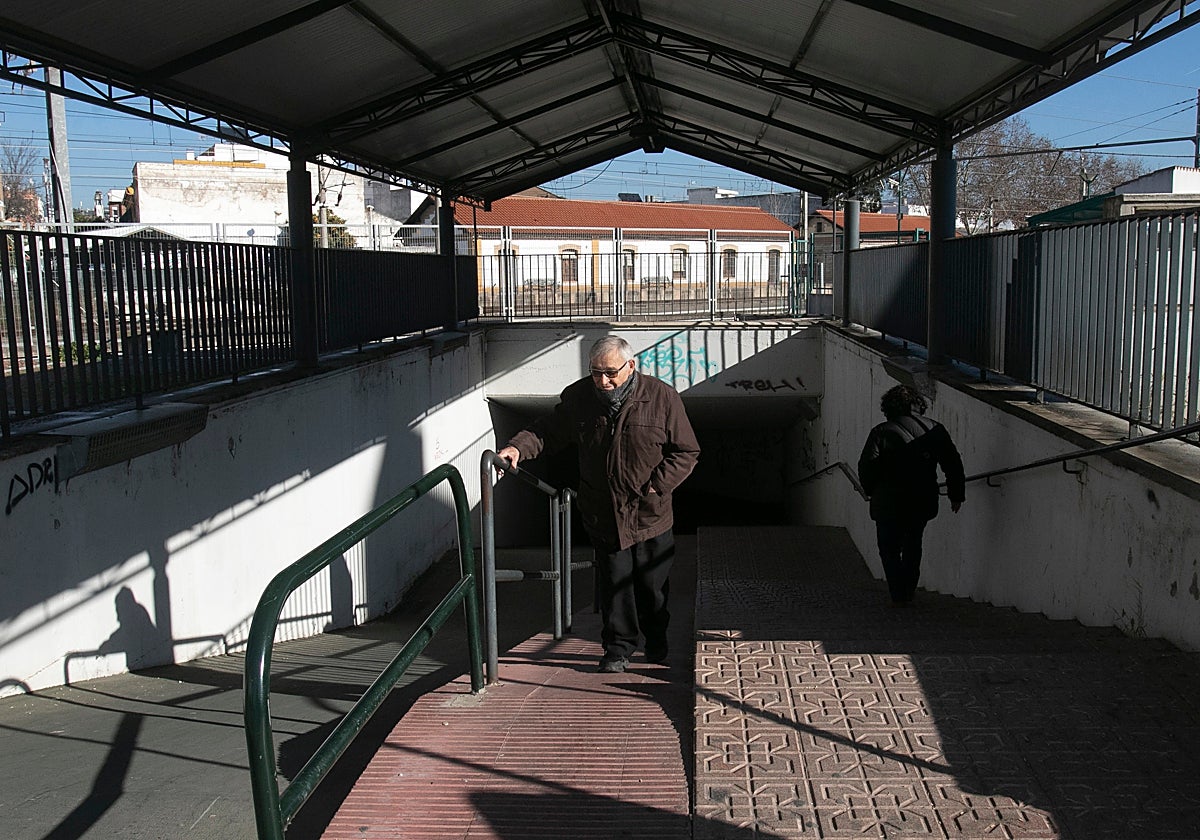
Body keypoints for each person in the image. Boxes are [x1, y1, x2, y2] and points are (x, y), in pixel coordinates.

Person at [497, 336, 700, 672]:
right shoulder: (579, 398)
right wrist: (518, 448)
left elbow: (686, 451)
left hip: (651, 516)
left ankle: (656, 637)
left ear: (630, 366)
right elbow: (548, 431)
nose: (603, 381)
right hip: (603, 513)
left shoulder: (662, 397)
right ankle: (618, 649)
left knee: (651, 589)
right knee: (614, 586)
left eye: (610, 373)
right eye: (595, 373)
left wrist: (656, 487)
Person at [857, 384, 965, 604]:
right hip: (922, 498)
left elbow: (866, 466)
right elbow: (952, 463)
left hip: (888, 501)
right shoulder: (935, 429)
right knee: (914, 543)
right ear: (918, 405)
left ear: (889, 406)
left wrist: (871, 491)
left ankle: (899, 592)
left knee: (888, 549)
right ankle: (908, 589)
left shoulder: (881, 431)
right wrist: (956, 494)